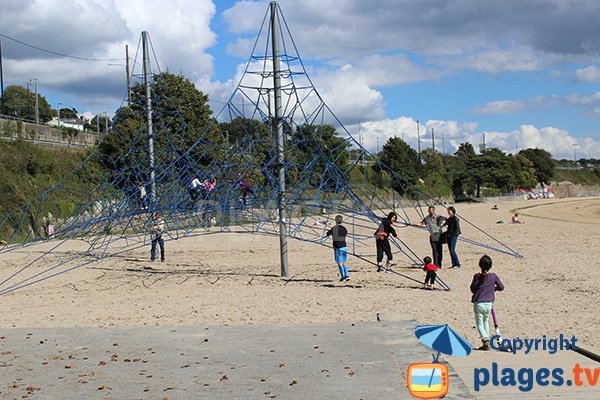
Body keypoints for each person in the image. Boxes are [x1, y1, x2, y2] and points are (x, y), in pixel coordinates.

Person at [470, 255, 504, 351]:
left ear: (480, 265)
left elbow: (472, 289)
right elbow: (501, 287)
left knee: (480, 322)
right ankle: (487, 338)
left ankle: (485, 340)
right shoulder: (493, 276)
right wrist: (493, 289)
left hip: (479, 302)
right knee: (486, 321)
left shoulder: (477, 276)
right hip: (489, 303)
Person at [325, 215, 350, 281]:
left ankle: (343, 276)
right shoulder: (344, 228)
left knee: (339, 262)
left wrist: (329, 231)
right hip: (344, 247)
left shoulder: (334, 228)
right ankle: (346, 274)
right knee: (344, 261)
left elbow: (328, 234)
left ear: (335, 220)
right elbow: (345, 233)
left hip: (338, 247)